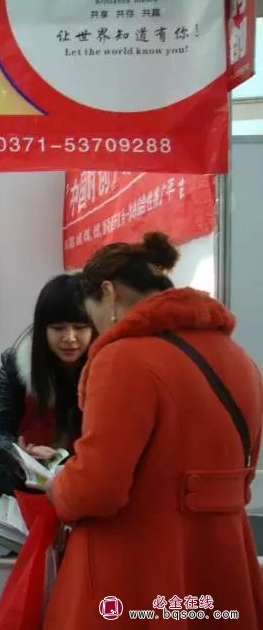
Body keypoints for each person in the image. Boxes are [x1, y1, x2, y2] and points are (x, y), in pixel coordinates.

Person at [44, 233, 263, 629]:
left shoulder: (123, 358)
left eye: (91, 313)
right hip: (223, 561)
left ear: (108, 293)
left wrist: (57, 486)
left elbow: (97, 488)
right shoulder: (240, 359)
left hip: (138, 569)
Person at [0, 274, 92, 495]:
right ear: (42, 329)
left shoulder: (106, 370)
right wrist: (20, 456)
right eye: (58, 328)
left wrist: (61, 461)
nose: (70, 337)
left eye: (80, 327)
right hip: (16, 483)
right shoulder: (17, 363)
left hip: (76, 484)